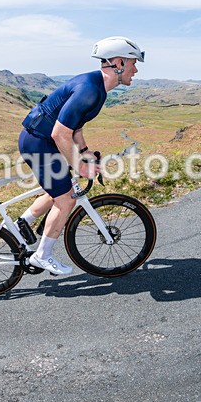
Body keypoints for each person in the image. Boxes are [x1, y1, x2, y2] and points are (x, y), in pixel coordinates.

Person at [16, 36, 144, 275]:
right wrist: (81, 166)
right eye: (133, 63)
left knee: (63, 187)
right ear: (118, 63)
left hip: (41, 139)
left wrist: (84, 152)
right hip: (39, 142)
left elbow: (75, 127)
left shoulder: (98, 87)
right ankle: (42, 256)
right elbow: (59, 133)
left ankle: (20, 225)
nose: (135, 70)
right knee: (66, 200)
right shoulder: (90, 90)